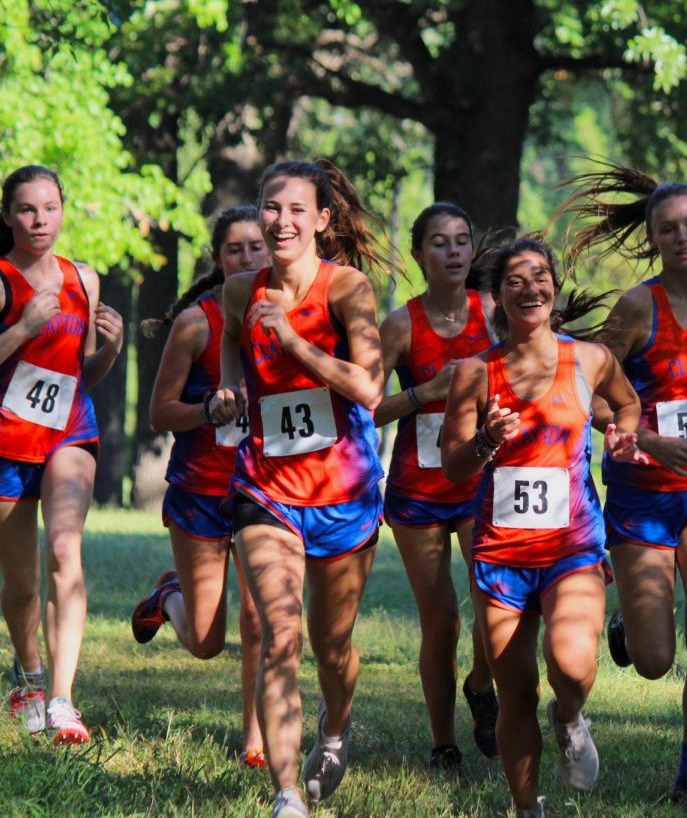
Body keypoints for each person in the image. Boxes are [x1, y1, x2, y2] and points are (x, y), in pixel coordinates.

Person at [559, 162, 687, 811]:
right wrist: (644, 438)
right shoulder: (635, 308)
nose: (682, 238)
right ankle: (628, 622)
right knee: (654, 659)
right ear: (653, 238)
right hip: (641, 493)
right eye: (669, 229)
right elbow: (585, 393)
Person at [207, 159, 394, 818]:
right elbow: (233, 341)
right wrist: (229, 389)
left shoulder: (347, 290)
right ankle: (288, 794)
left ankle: (334, 731)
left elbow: (370, 387)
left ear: (321, 220)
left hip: (344, 494)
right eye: (271, 207)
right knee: (280, 638)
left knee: (332, 648)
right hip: (266, 488)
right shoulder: (239, 292)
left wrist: (292, 340)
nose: (281, 220)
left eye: (295, 210)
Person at [441, 235, 644, 817]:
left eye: (540, 277)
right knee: (518, 692)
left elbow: (626, 406)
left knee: (573, 663)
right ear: (497, 299)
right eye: (515, 281)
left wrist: (623, 435)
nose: (530, 288)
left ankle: (572, 715)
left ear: (553, 288)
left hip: (572, 545)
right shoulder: (475, 375)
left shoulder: (589, 360)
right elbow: (453, 469)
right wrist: (485, 441)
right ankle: (527, 806)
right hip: (501, 554)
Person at [0, 165, 123, 745]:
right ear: (9, 215)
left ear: (63, 210)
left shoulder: (84, 280)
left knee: (66, 553)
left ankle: (63, 701)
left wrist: (111, 351)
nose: (40, 220)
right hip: (4, 445)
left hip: (70, 434)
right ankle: (29, 676)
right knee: (22, 585)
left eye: (50, 208)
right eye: (26, 210)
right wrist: (19, 330)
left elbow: (80, 373)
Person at [130, 206, 268, 767]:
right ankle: (170, 596)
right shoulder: (196, 323)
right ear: (218, 259)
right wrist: (208, 408)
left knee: (260, 621)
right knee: (208, 643)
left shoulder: (292, 316)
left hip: (265, 490)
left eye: (256, 247)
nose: (248, 258)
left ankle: (256, 741)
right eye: (235, 250)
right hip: (200, 492)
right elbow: (160, 412)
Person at [376, 203, 498, 771]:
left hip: (479, 478)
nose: (452, 252)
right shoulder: (401, 324)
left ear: (472, 251)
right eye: (440, 243)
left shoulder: (493, 314)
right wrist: (427, 392)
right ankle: (443, 743)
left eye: (461, 241)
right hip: (418, 489)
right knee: (442, 620)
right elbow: (367, 409)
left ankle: (480, 684)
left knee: (495, 603)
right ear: (421, 255)